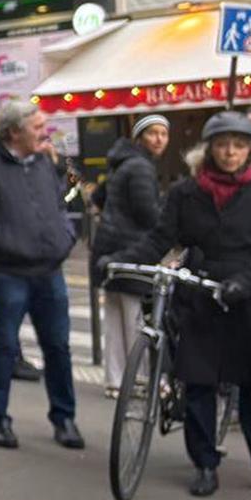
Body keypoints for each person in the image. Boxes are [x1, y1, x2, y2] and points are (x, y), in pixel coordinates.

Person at [116, 111, 251, 498]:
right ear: (208, 150)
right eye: (222, 145)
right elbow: (162, 237)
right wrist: (125, 260)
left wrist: (246, 282)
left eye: (239, 146)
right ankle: (204, 463)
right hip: (200, 291)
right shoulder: (186, 193)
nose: (230, 153)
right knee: (199, 384)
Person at [0, 99, 85, 451]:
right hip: (8, 270)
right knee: (5, 346)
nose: (45, 133)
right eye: (37, 127)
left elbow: (63, 202)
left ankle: (64, 418)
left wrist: (66, 235)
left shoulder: (45, 161)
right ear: (14, 132)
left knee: (58, 346)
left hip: (50, 270)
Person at [90, 115, 169, 398]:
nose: (159, 139)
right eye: (153, 134)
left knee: (115, 316)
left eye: (163, 134)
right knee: (136, 318)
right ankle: (140, 379)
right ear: (139, 138)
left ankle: (116, 379)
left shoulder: (122, 162)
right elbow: (148, 214)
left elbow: (97, 197)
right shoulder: (140, 168)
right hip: (131, 250)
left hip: (108, 249)